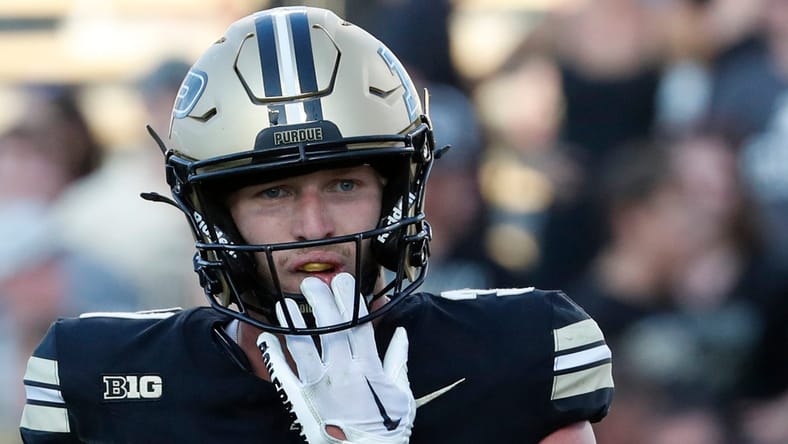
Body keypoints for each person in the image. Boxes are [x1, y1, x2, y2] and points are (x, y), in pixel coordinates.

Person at [19, 7, 613, 443]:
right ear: (218, 213)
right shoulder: (100, 375)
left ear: (396, 190)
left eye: (344, 185)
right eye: (273, 191)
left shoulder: (520, 351)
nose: (314, 225)